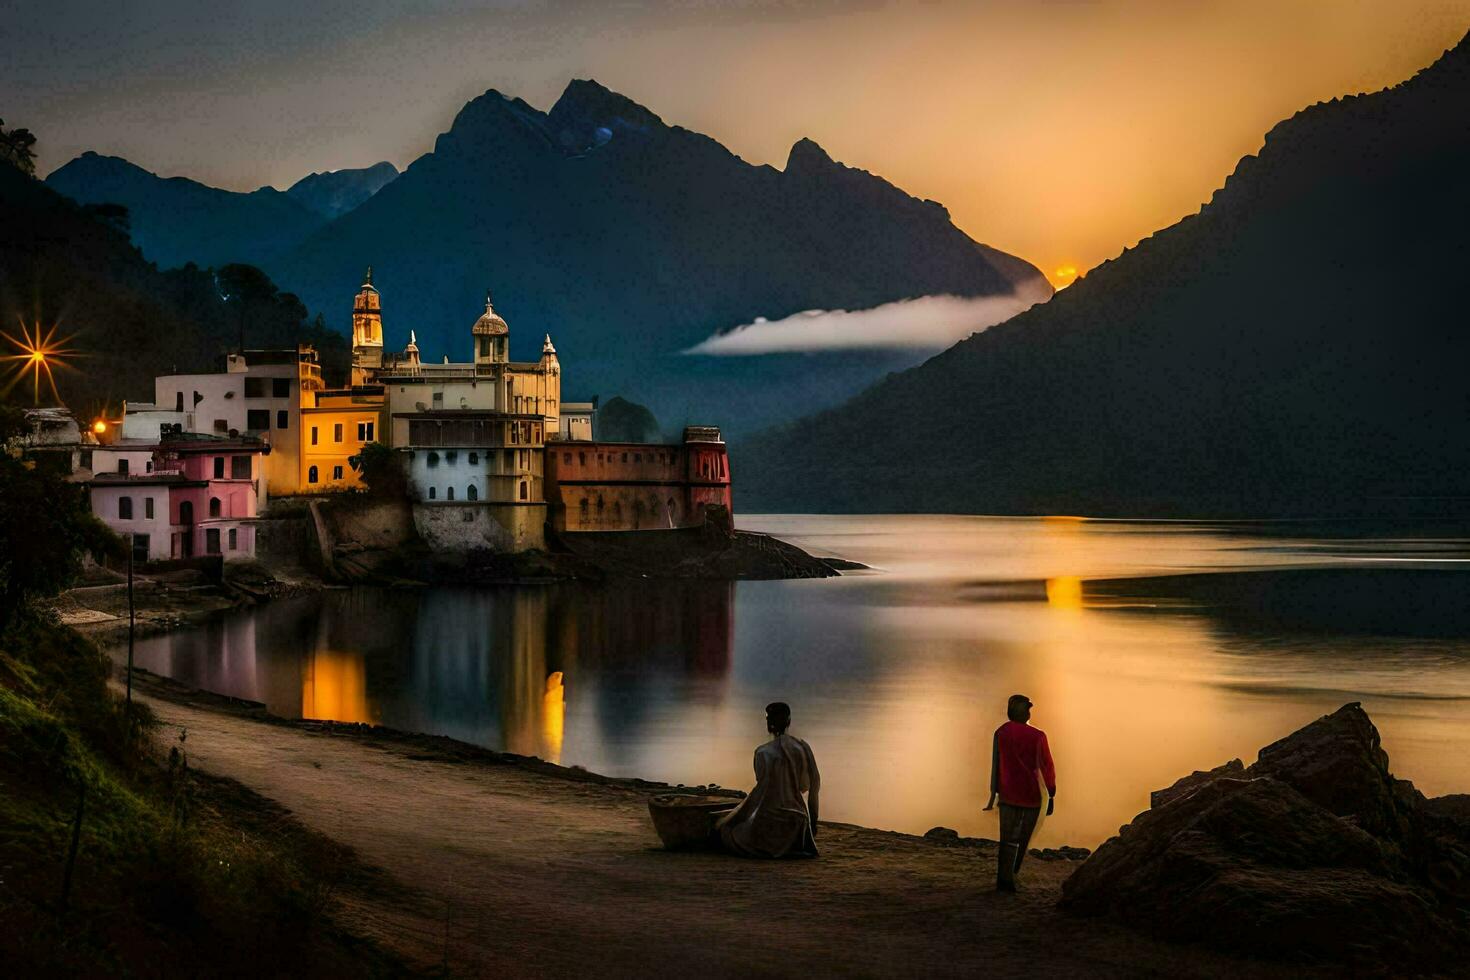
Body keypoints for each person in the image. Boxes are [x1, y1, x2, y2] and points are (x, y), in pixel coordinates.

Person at [717, 702, 821, 858]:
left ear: (768, 723)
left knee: (726, 831)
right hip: (798, 821)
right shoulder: (803, 747)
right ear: (789, 721)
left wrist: (732, 818)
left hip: (769, 819)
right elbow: (812, 786)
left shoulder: (762, 752)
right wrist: (813, 822)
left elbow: (762, 791)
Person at [983, 693, 1056, 892]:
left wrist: (993, 793)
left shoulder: (1001, 733)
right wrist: (1051, 793)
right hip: (1031, 795)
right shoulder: (1038, 736)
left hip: (1007, 793)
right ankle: (1013, 874)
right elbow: (1046, 766)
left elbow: (996, 765)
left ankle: (1004, 879)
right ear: (1026, 712)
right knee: (1024, 838)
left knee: (1007, 838)